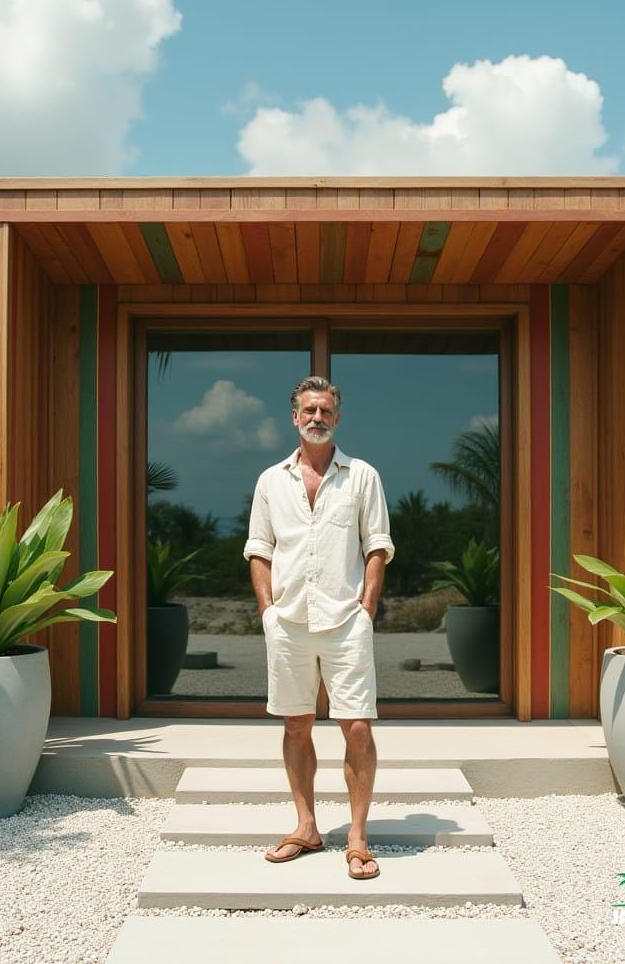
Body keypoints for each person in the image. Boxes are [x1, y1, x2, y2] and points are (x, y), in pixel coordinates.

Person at [243, 376, 394, 880]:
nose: (317, 418)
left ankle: (357, 837)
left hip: (346, 620)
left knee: (357, 726)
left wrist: (366, 609)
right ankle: (306, 827)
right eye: (309, 410)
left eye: (325, 411)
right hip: (288, 621)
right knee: (296, 724)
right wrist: (267, 611)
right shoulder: (271, 481)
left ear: (337, 417)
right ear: (294, 417)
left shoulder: (363, 477)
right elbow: (259, 549)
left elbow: (377, 547)